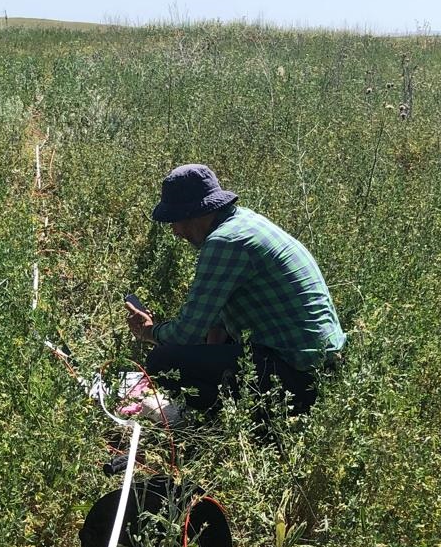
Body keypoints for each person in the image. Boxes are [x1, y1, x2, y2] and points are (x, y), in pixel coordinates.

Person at [125, 163, 346, 417]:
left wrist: (149, 332)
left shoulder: (224, 242)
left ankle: (219, 421)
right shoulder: (245, 222)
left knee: (162, 361)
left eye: (176, 221)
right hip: (321, 367)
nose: (175, 231)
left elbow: (184, 334)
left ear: (195, 214)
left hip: (299, 378)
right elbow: (217, 312)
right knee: (203, 347)